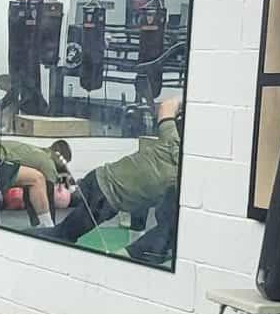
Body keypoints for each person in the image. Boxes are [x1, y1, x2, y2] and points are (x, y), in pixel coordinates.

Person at [44, 94, 182, 267]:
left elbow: (168, 105)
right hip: (102, 194)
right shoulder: (174, 146)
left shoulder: (173, 145)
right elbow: (167, 104)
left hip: (102, 185)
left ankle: (128, 253)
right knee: (62, 235)